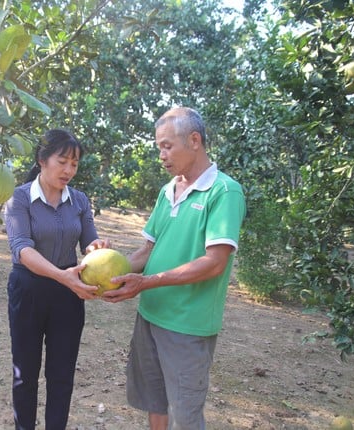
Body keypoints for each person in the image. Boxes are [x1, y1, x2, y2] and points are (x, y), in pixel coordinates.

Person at [103, 107, 246, 430]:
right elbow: (148, 250)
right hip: (150, 316)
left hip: (187, 325)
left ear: (194, 140)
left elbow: (215, 262)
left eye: (167, 146)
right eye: (159, 148)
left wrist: (148, 282)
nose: (162, 155)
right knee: (154, 402)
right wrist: (109, 268)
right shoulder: (167, 191)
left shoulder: (223, 192)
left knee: (185, 414)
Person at [4, 128, 110, 430]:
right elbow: (21, 248)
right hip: (29, 288)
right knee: (25, 372)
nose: (69, 170)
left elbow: (89, 240)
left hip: (68, 294)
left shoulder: (79, 200)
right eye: (62, 161)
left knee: (61, 374)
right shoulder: (18, 198)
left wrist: (97, 248)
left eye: (74, 164)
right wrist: (61, 276)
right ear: (42, 160)